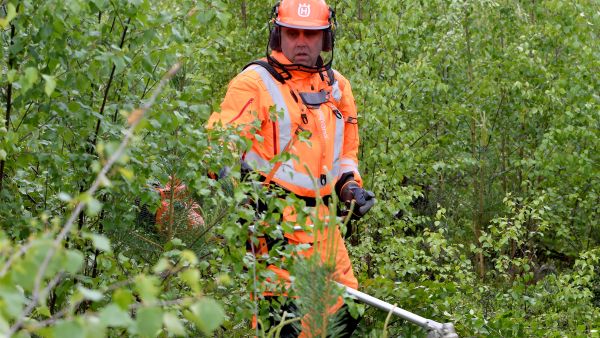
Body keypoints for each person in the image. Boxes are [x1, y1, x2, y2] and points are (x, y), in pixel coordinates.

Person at [207, 0, 375, 336]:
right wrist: (236, 190)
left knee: (345, 313)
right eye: (293, 32)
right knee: (287, 322)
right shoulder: (254, 83)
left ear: (325, 39)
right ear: (277, 33)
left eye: (311, 34)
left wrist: (349, 187)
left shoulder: (336, 87)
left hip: (325, 228)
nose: (301, 41)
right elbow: (219, 145)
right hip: (274, 227)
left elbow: (346, 154)